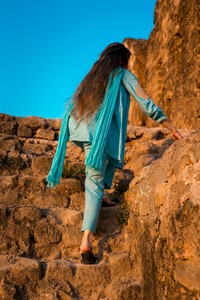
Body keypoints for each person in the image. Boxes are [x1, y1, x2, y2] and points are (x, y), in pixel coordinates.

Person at [47, 42, 183, 264]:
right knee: (94, 178)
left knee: (100, 166)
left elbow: (77, 104)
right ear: (123, 60)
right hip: (99, 136)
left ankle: (102, 195)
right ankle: (86, 242)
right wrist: (172, 128)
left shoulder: (94, 76)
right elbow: (147, 105)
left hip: (80, 129)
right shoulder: (124, 76)